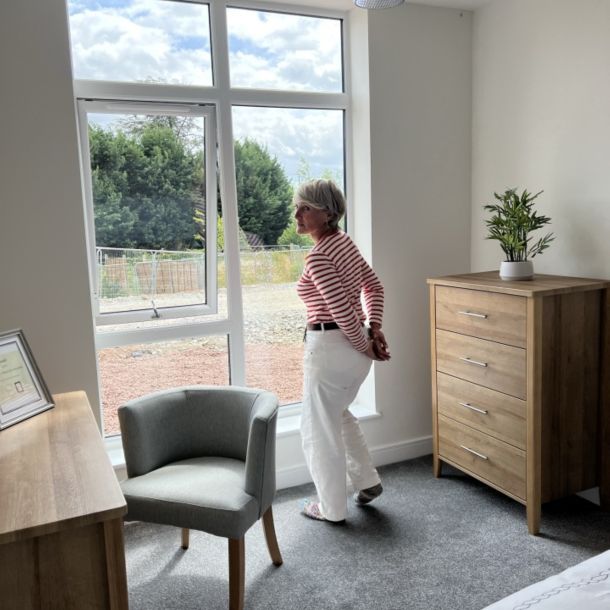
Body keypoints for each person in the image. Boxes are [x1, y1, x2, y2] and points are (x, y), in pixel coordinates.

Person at [294, 179, 390, 523]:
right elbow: (374, 286)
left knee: (318, 432)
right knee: (338, 414)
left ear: (327, 213)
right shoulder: (344, 242)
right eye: (296, 207)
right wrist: (373, 330)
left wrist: (368, 343)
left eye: (305, 208)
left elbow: (341, 312)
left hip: (332, 350)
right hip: (353, 352)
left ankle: (331, 509)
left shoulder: (319, 256)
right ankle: (367, 481)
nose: (297, 215)